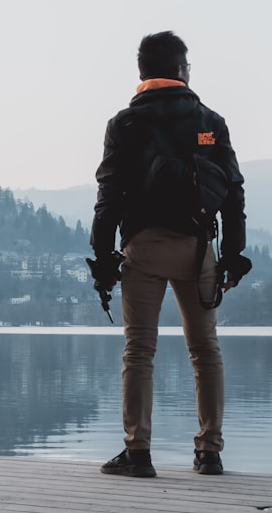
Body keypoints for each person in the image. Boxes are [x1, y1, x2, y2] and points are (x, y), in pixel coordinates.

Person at [89, 30, 249, 478]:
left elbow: (109, 197)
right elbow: (233, 193)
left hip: (144, 248)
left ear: (142, 73)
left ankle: (137, 453)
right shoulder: (210, 121)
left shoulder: (124, 125)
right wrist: (233, 256)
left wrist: (103, 258)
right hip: (199, 251)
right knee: (205, 351)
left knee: (139, 351)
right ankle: (209, 452)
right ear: (181, 70)